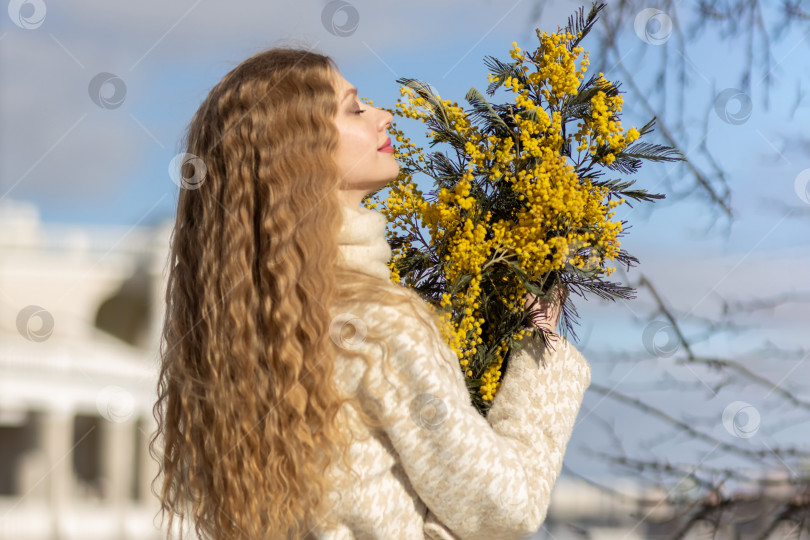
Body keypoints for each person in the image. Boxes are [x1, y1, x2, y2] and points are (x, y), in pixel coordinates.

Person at [151, 46, 591, 540]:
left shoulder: (235, 337)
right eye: (355, 109)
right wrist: (541, 352)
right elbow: (504, 507)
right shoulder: (376, 328)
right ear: (301, 152)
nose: (384, 116)